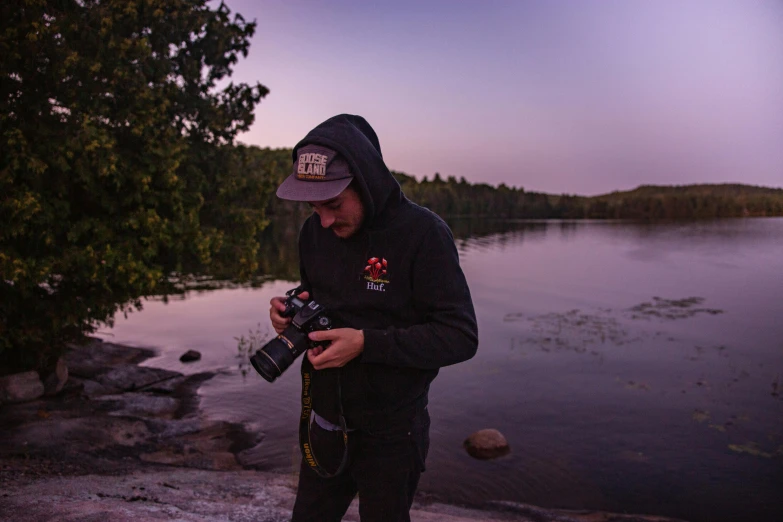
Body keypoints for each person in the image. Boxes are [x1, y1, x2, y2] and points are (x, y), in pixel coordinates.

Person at [269, 114, 478, 522]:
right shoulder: (314, 233)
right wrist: (291, 317)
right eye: (314, 206)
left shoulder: (423, 235)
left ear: (364, 182)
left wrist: (367, 344)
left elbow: (460, 336)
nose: (324, 221)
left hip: (392, 435)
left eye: (333, 205)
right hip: (325, 424)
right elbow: (318, 299)